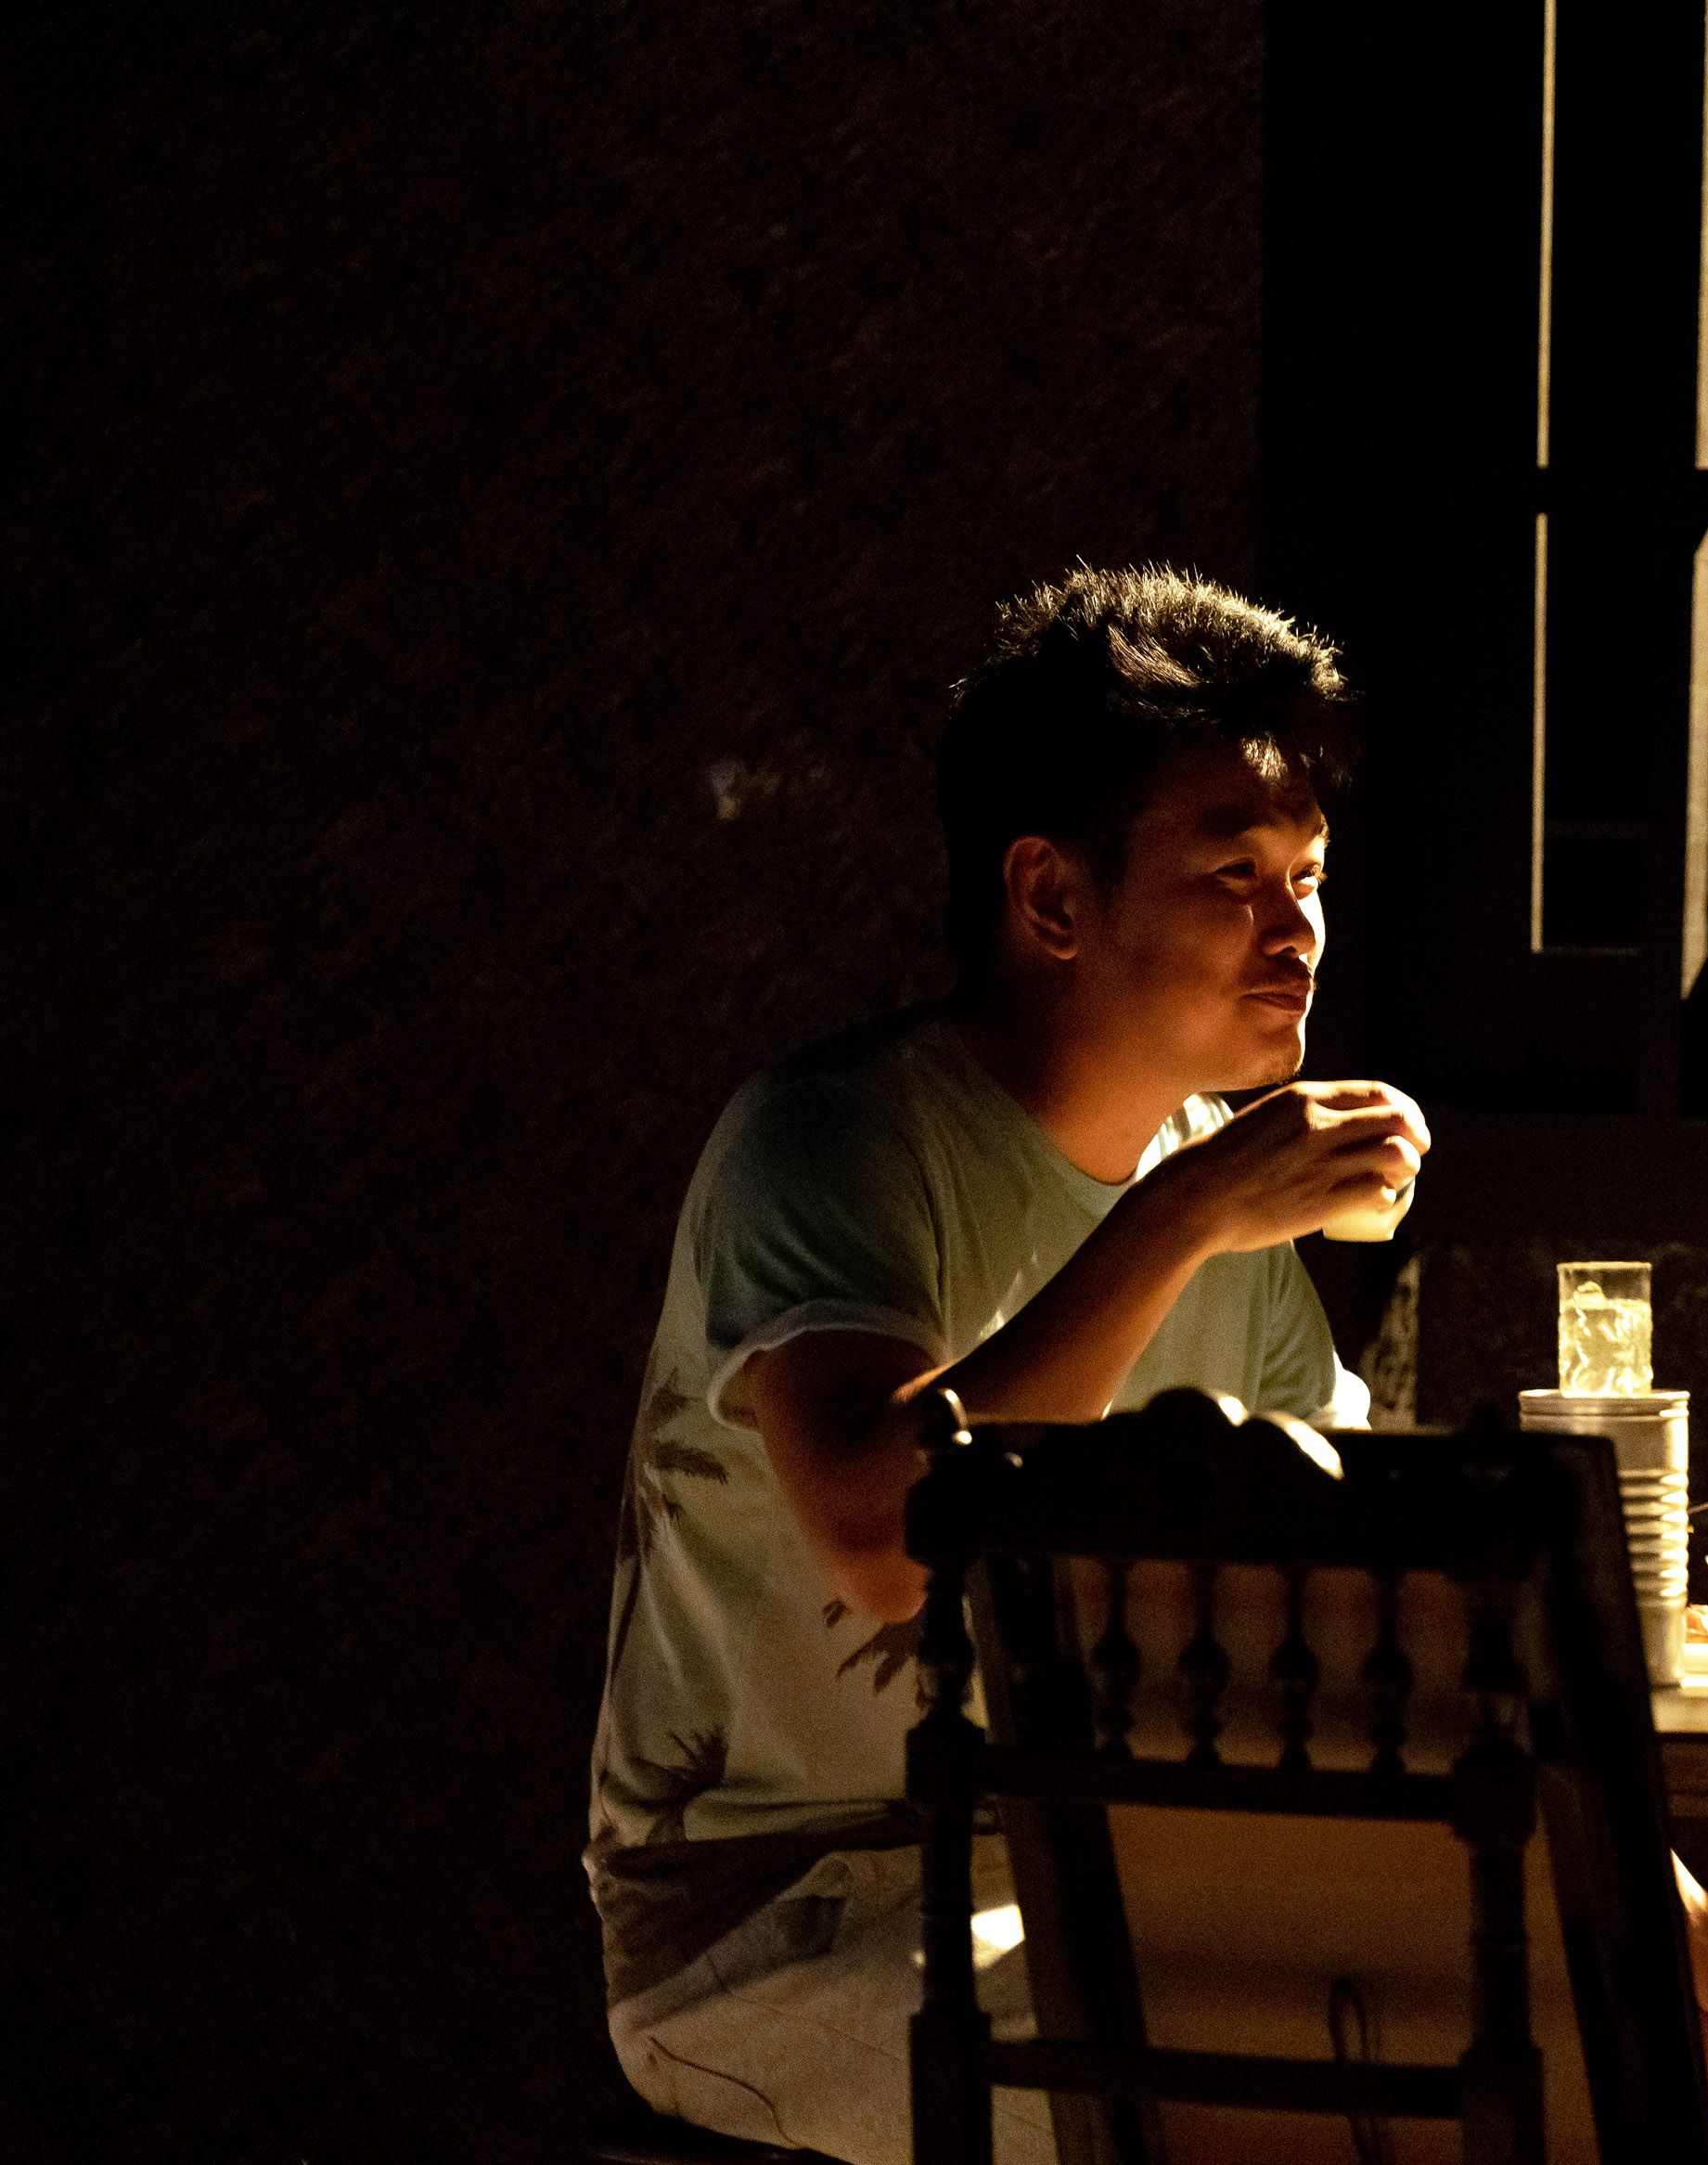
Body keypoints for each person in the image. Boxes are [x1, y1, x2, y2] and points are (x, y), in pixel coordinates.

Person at [586, 564, 1432, 2160]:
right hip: (783, 1910)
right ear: (1051, 898)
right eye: (1235, 874)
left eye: (1310, 873)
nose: (1299, 928)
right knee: (1225, 2090)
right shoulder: (836, 1139)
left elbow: (1342, 1589)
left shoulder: (1221, 1201)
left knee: (1606, 2004)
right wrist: (1180, 1217)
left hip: (1101, 1861)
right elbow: (884, 1536)